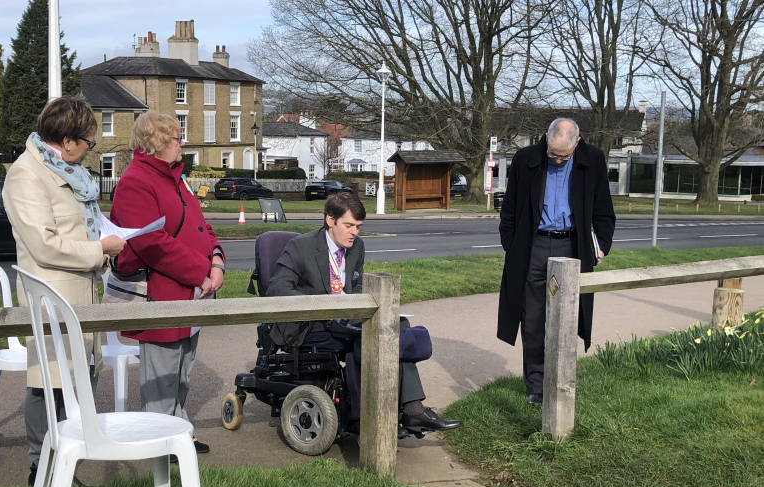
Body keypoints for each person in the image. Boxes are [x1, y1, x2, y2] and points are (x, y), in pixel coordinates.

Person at [2, 96, 126, 486]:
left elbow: (80, 228)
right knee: (48, 385)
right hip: (52, 298)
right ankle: (41, 469)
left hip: (83, 294)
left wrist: (105, 250)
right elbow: (43, 245)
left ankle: (65, 465)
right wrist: (100, 250)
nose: (91, 151)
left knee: (78, 383)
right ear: (68, 140)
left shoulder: (71, 174)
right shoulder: (26, 174)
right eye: (90, 142)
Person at [266, 192, 462, 436]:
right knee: (367, 338)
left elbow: (357, 286)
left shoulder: (356, 247)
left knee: (397, 324)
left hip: (345, 319)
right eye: (348, 225)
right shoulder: (300, 247)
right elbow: (278, 288)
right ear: (330, 220)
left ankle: (411, 411)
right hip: (312, 325)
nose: (354, 232)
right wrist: (321, 305)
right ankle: (369, 418)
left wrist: (353, 309)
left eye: (358, 226)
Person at [110, 111, 224, 459]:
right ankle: (160, 442)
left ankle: (177, 432)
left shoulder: (176, 177)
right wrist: (202, 272)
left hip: (191, 291)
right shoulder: (135, 181)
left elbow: (202, 226)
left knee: (182, 372)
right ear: (159, 143)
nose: (182, 143)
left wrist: (217, 261)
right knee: (161, 375)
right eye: (177, 138)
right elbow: (152, 244)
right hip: (161, 294)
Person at [497, 118, 616, 404]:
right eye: (553, 154)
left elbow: (604, 209)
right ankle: (536, 386)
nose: (559, 160)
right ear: (546, 140)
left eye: (565, 155)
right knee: (533, 317)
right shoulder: (526, 159)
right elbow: (510, 209)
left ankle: (562, 378)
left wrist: (600, 248)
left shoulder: (594, 160)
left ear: (578, 142)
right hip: (534, 245)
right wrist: (511, 246)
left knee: (569, 316)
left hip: (573, 244)